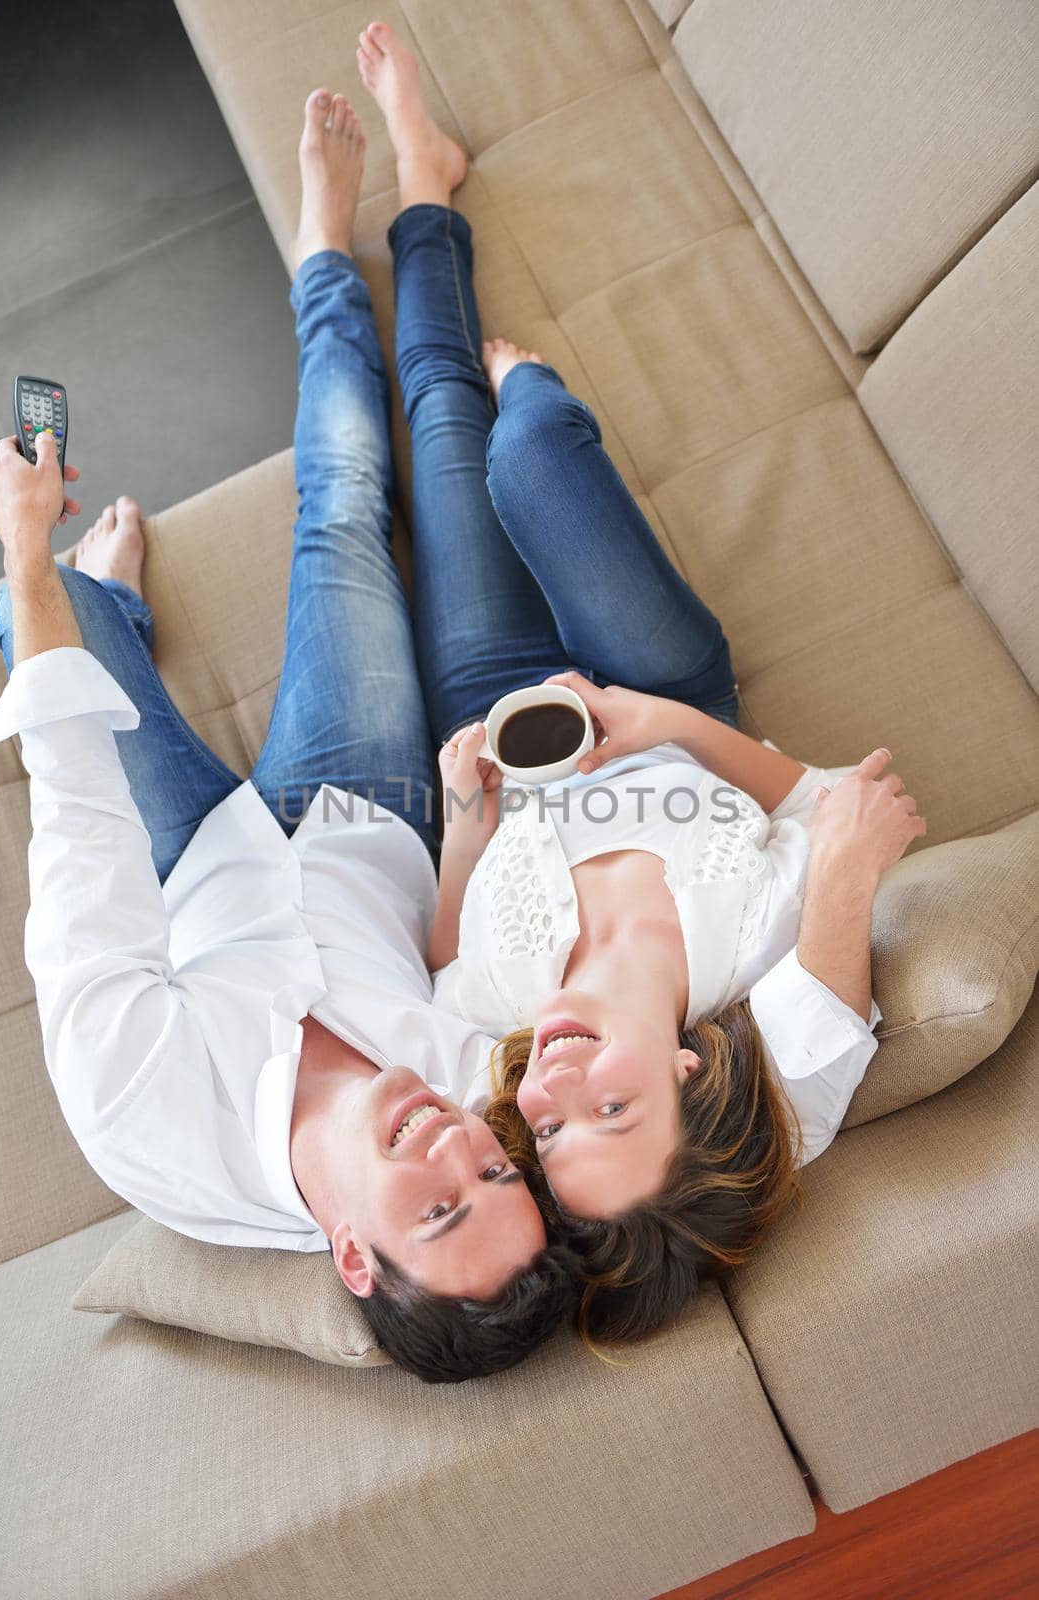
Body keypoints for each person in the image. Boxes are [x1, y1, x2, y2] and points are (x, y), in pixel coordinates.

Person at [0, 87, 577, 1384]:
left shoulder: (148, 1125)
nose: (453, 1142)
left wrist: (26, 555)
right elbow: (454, 954)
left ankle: (111, 615)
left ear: (350, 1258)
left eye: (436, 1203)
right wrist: (471, 820)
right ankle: (324, 241)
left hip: (188, 864)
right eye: (491, 1169)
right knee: (346, 505)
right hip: (364, 813)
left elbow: (78, 820)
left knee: (46, 619)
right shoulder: (482, 1089)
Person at [354, 22, 927, 1344]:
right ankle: (539, 391)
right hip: (663, 693)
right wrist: (660, 721)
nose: (553, 1092)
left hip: (502, 723)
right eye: (613, 1107)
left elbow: (444, 961)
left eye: (550, 1135)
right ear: (689, 1072)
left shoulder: (499, 1015)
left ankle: (422, 180)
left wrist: (469, 820)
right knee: (529, 450)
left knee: (439, 412)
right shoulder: (756, 956)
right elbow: (834, 804)